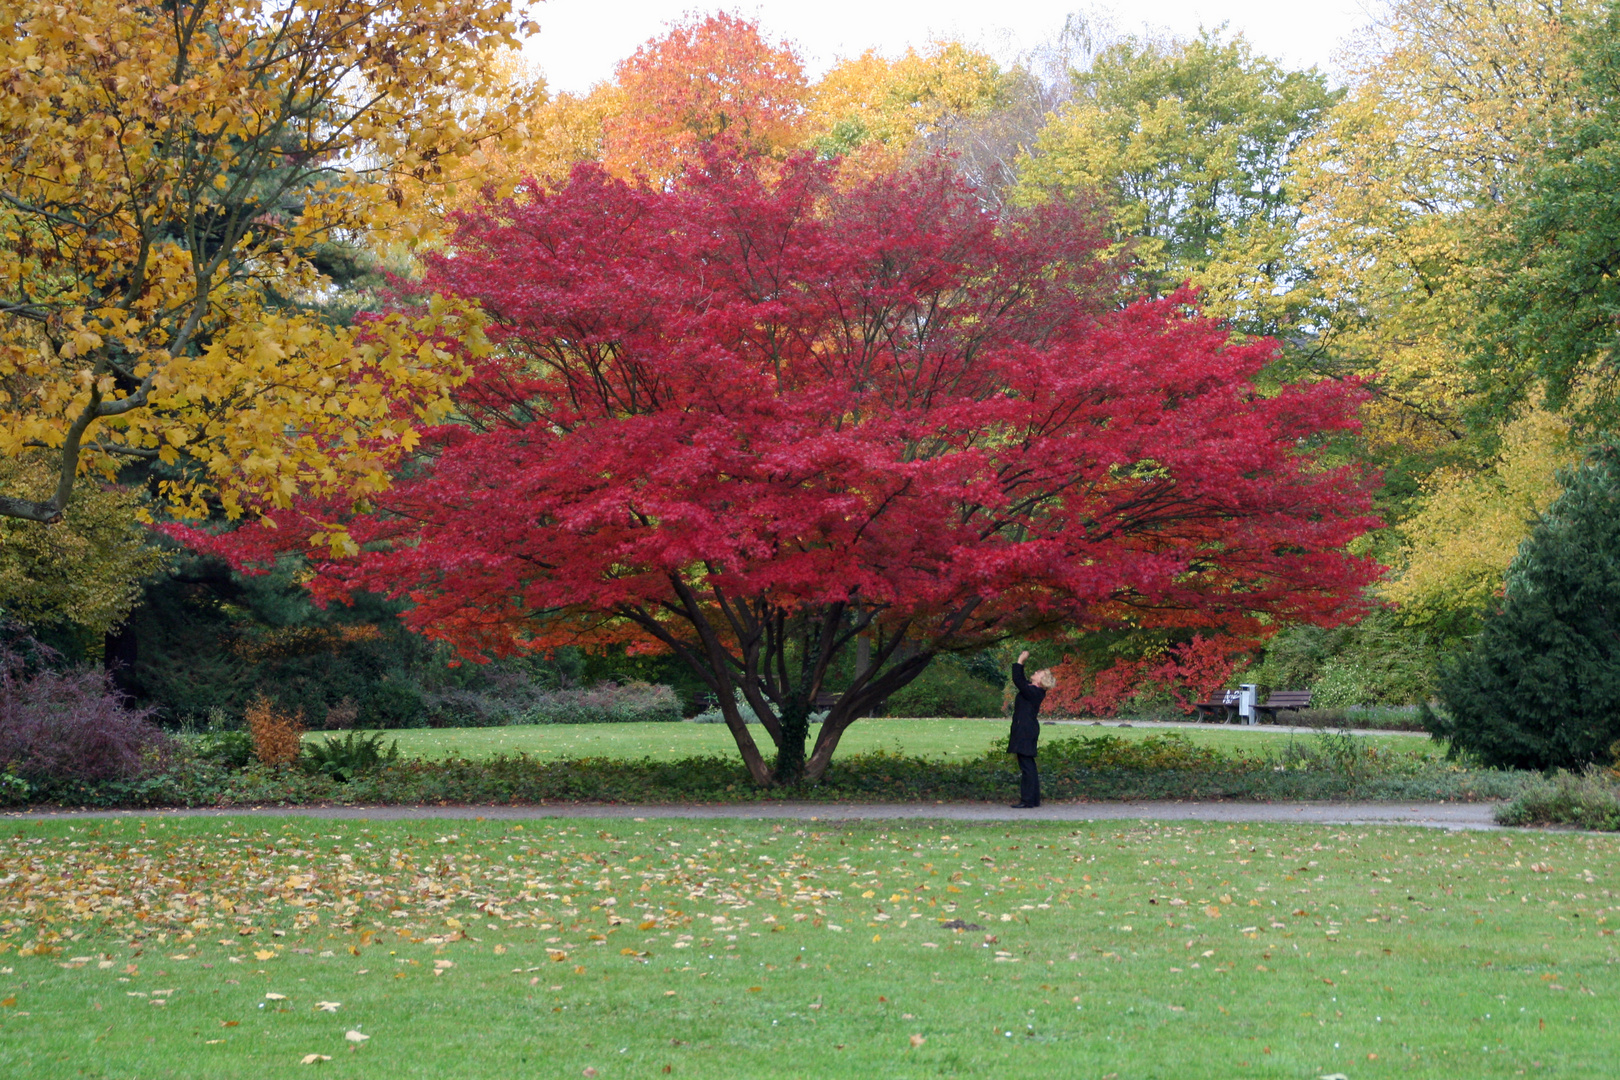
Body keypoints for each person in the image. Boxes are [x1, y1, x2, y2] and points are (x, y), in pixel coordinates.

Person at [1008, 650, 1055, 808]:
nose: (1035, 672)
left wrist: (1020, 661)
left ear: (1041, 680)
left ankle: (1028, 800)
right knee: (1028, 765)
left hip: (1026, 731)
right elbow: (1021, 681)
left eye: (1038, 673)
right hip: (1025, 729)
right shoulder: (1032, 690)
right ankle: (1032, 799)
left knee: (1027, 766)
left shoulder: (1035, 692)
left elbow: (1018, 679)